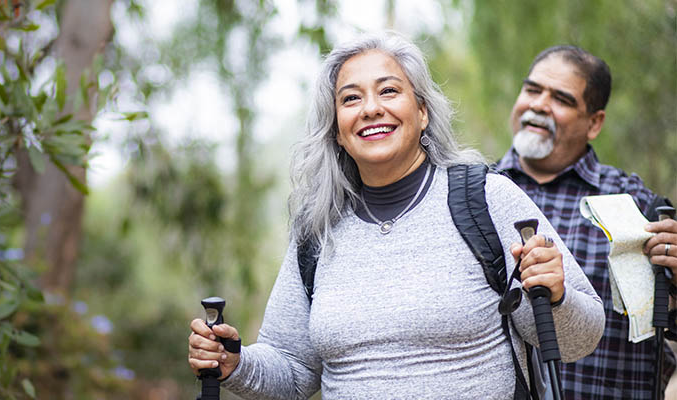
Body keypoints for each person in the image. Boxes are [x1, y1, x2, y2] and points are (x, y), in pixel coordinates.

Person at [187, 31, 605, 399]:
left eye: (388, 91)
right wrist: (234, 363)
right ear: (337, 128)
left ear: (422, 111)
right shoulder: (317, 228)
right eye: (351, 98)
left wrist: (556, 296)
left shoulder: (485, 197)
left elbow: (576, 340)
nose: (370, 109)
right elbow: (294, 371)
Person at [495, 45, 677, 399]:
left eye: (561, 99)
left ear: (594, 123)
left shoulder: (638, 208)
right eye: (532, 90)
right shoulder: (472, 197)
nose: (538, 105)